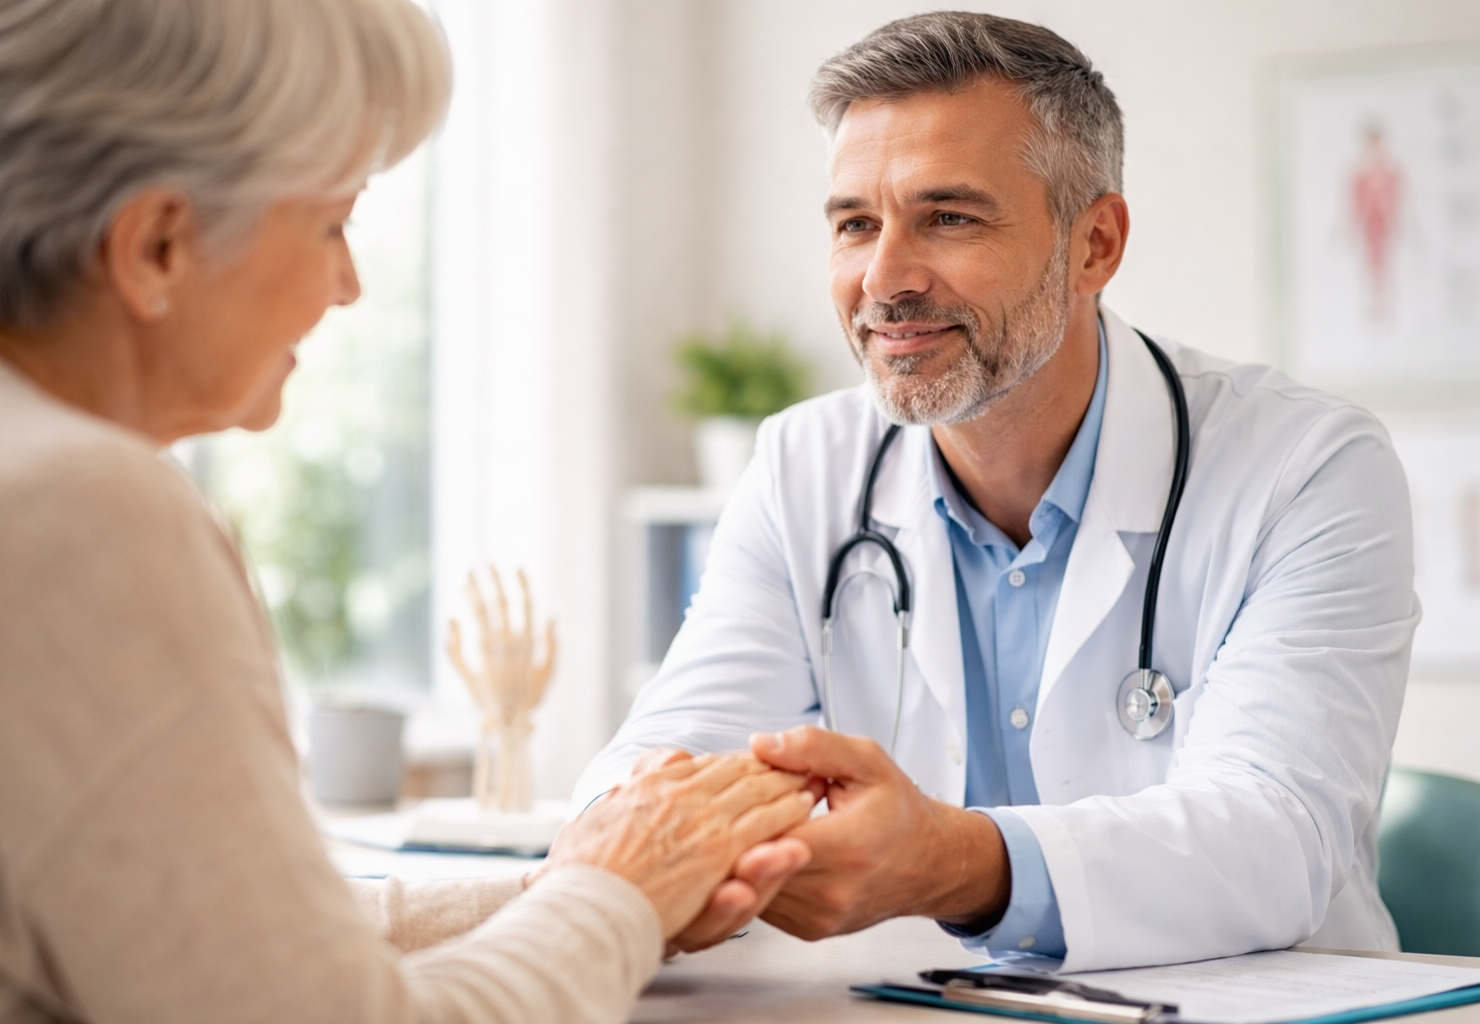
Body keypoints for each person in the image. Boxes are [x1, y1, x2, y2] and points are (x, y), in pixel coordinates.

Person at [0, 1, 818, 1022]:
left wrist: (565, 890)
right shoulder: (69, 511)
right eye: (332, 222)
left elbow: (228, 939)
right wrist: (615, 894)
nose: (349, 285)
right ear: (157, 246)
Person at [574, 11, 1419, 973]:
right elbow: (664, 760)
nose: (883, 279)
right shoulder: (802, 467)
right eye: (856, 224)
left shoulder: (1306, 467)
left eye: (949, 217)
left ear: (1094, 244)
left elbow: (1277, 839)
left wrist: (949, 861)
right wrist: (623, 845)